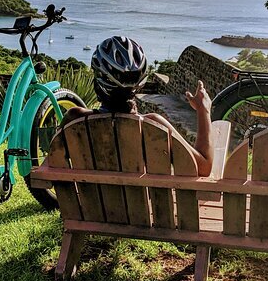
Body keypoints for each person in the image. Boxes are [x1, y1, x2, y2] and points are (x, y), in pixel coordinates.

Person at [62, 36, 214, 176]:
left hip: (88, 205)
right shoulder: (154, 125)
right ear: (140, 85)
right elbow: (203, 168)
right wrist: (203, 111)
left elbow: (52, 164)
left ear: (97, 84)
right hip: (146, 206)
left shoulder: (74, 119)